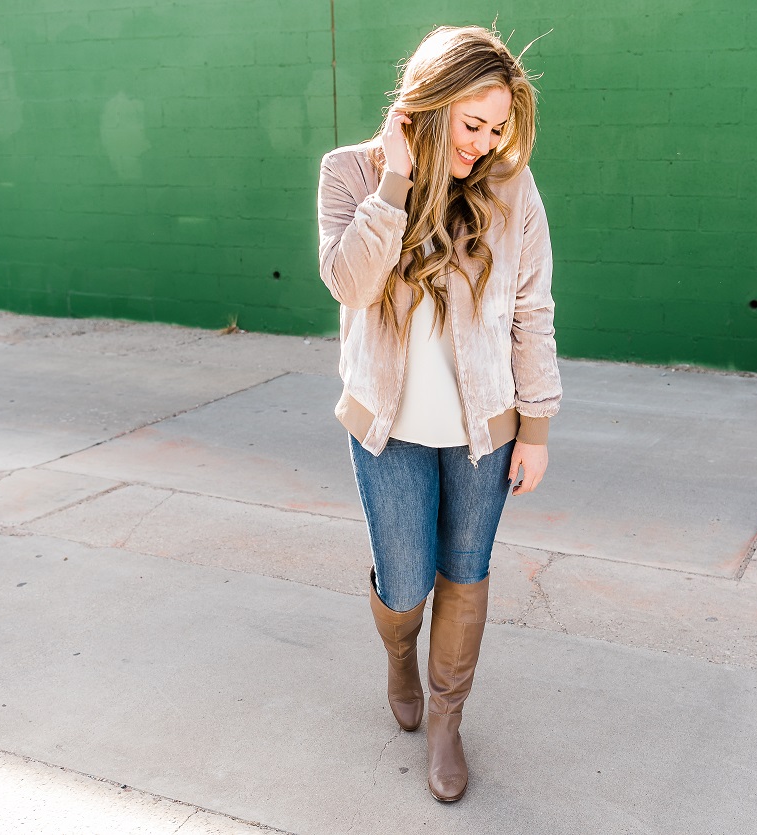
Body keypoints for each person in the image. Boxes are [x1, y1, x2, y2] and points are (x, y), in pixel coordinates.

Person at [316, 25, 560, 803]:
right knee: (406, 582)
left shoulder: (511, 189)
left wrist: (539, 426)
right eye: (471, 125)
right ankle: (399, 655)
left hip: (481, 434)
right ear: (431, 104)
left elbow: (532, 309)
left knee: (466, 572)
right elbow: (350, 284)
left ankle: (448, 720)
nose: (485, 145)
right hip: (386, 431)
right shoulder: (349, 173)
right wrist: (395, 184)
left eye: (497, 130)